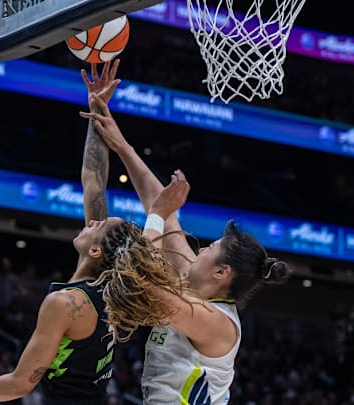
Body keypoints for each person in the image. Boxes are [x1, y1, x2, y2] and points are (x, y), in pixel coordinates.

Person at [0, 61, 189, 405]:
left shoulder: (66, 303)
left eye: (98, 225)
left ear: (97, 251)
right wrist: (97, 109)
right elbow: (93, 182)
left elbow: (21, 383)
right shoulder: (118, 292)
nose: (91, 221)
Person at [80, 90, 292, 404]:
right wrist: (121, 145)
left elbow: (137, 281)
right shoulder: (191, 283)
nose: (201, 250)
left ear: (222, 272)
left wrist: (157, 214)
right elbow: (166, 215)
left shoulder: (215, 322)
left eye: (210, 248)